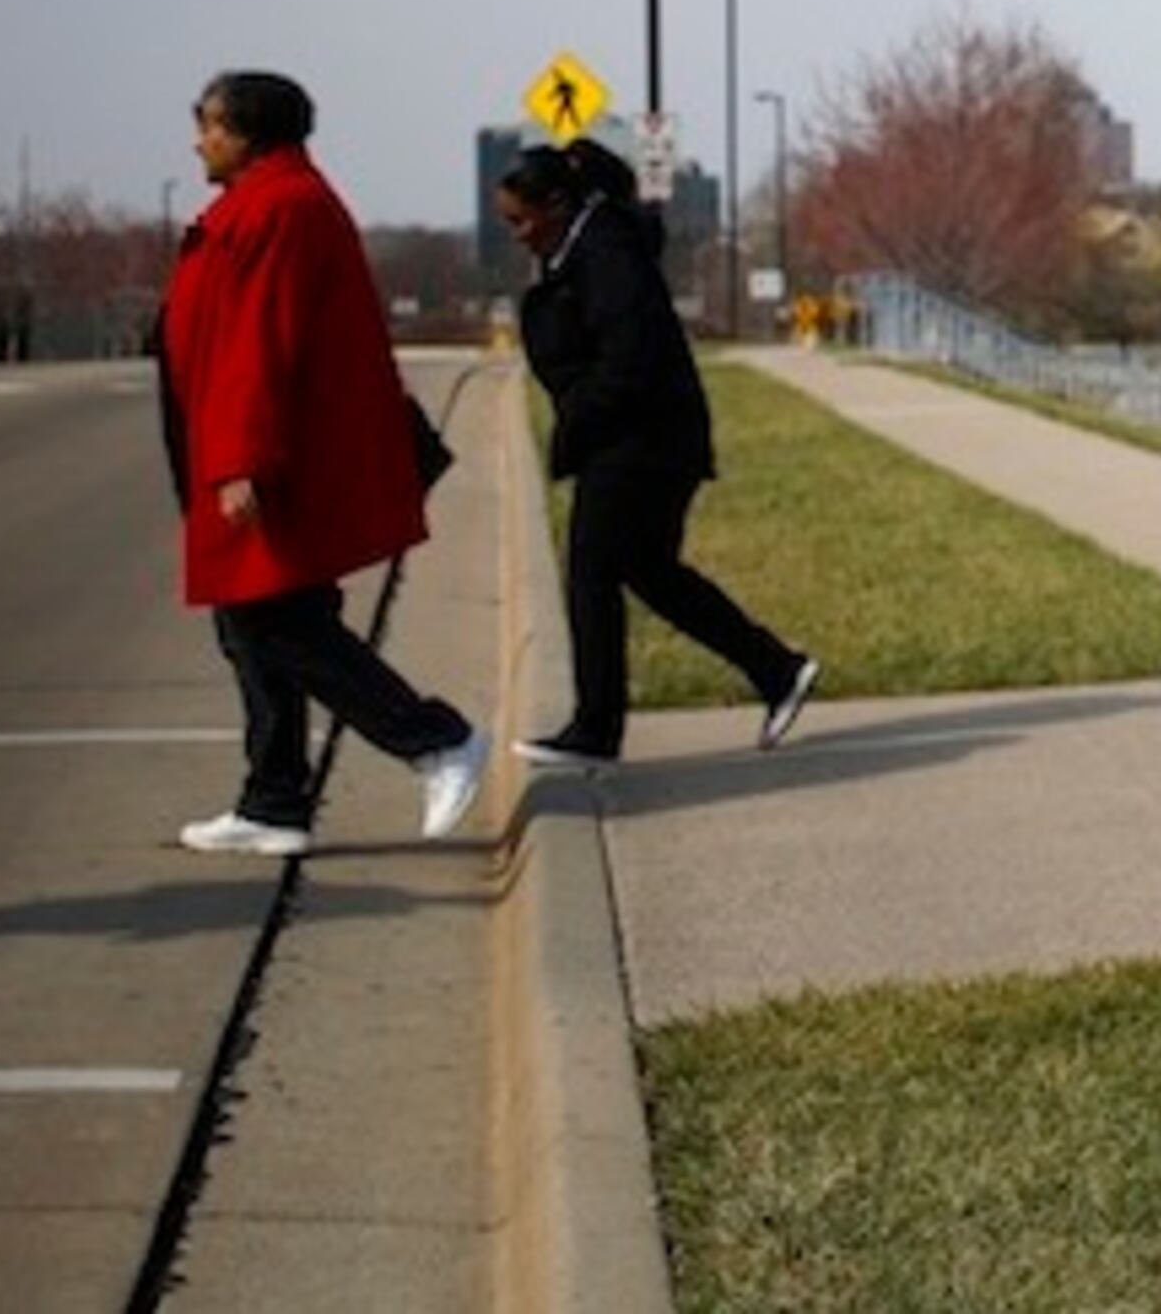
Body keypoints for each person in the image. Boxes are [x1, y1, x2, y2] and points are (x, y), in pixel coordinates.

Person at [159, 71, 486, 856]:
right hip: (247, 448)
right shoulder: (267, 202)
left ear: (250, 132)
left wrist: (240, 462)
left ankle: (435, 740)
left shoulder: (282, 208)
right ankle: (273, 801)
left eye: (208, 124)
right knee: (251, 626)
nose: (197, 139)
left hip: (271, 458)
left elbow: (258, 343)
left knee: (280, 624)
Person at [495, 139, 817, 766]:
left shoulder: (606, 252)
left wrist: (581, 418)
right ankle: (777, 669)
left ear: (557, 204)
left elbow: (629, 357)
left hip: (641, 441)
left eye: (519, 219)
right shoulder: (587, 248)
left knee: (592, 572)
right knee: (649, 571)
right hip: (646, 438)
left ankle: (596, 728)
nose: (516, 234)